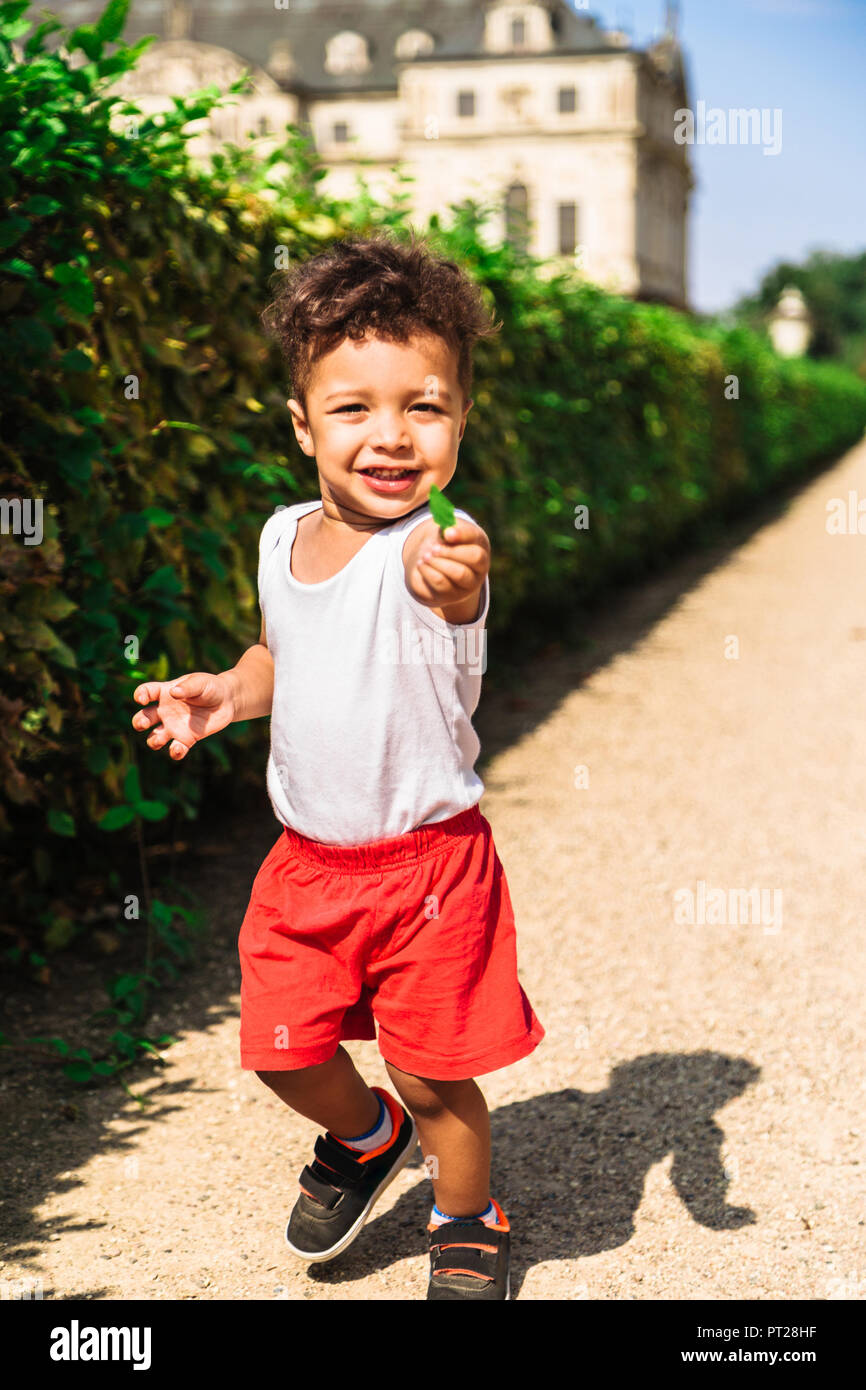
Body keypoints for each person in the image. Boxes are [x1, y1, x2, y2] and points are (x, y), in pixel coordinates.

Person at [131, 230, 545, 1300]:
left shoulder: (435, 549)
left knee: (430, 1069)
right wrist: (226, 690)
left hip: (427, 870)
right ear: (302, 421)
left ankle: (469, 1210)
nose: (391, 435)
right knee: (277, 1046)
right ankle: (365, 1139)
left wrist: (455, 578)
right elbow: (285, 653)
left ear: (461, 417)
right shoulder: (279, 537)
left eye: (425, 404)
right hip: (307, 864)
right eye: (353, 406)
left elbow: (444, 592)